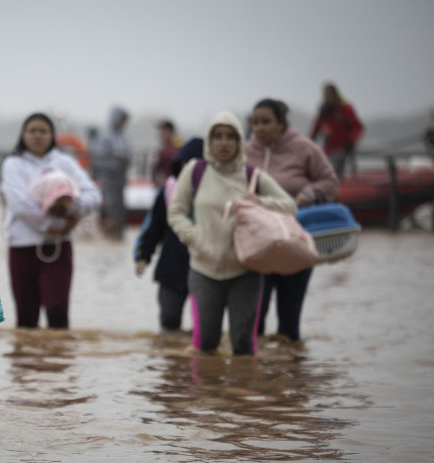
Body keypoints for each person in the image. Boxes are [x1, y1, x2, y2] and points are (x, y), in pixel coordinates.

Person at [168, 111, 295, 356]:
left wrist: (259, 201)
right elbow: (176, 212)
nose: (224, 142)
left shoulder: (252, 176)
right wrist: (193, 237)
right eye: (217, 136)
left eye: (230, 137)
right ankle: (207, 393)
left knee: (243, 345)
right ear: (209, 141)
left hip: (245, 270)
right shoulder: (195, 171)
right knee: (206, 344)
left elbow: (290, 206)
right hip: (203, 269)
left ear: (240, 142)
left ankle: (241, 392)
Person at [245, 98, 340, 342]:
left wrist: (309, 194)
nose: (259, 128)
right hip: (257, 246)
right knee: (253, 323)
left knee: (289, 325)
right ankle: (251, 377)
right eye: (255, 123)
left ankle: (291, 377)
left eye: (266, 122)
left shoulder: (304, 148)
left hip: (296, 244)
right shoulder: (244, 152)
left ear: (281, 123)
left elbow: (330, 181)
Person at [0, 112, 102, 329]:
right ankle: (27, 363)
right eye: (32, 130)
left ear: (52, 135)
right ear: (23, 135)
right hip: (22, 248)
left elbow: (93, 195)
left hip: (58, 249)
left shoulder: (65, 162)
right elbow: (19, 205)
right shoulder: (12, 164)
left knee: (58, 314)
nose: (38, 135)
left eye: (43, 131)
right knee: (26, 319)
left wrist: (69, 210)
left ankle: (58, 361)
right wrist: (53, 224)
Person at [133, 138, 202, 333]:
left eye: (195, 164)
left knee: (205, 327)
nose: (189, 169)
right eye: (185, 163)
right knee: (169, 320)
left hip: (206, 267)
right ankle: (170, 361)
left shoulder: (215, 194)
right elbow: (155, 227)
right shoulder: (168, 191)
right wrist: (143, 257)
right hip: (171, 266)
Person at [90, 106, 134, 240]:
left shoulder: (123, 137)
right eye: (122, 119)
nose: (123, 123)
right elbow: (97, 155)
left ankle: (118, 233)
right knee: (109, 204)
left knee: (119, 205)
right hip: (108, 176)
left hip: (121, 176)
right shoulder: (104, 136)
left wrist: (126, 158)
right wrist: (116, 160)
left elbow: (131, 152)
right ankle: (108, 233)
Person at [309, 82, 364, 180]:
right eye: (325, 94)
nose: (327, 97)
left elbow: (357, 127)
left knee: (334, 171)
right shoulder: (324, 110)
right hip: (328, 148)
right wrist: (309, 141)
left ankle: (339, 189)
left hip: (342, 147)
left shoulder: (345, 108)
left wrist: (351, 141)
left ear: (334, 94)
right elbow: (316, 128)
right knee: (326, 170)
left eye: (329, 94)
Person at [151, 120, 180, 187]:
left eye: (162, 130)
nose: (159, 133)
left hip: (171, 185)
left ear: (168, 131)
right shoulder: (167, 146)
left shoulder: (174, 147)